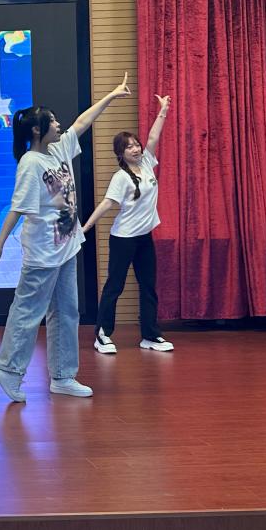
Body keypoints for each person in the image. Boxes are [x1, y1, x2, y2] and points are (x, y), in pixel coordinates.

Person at [0, 73, 131, 402]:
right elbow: (18, 207)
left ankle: (63, 376)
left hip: (66, 247)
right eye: (52, 121)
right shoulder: (30, 163)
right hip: (43, 252)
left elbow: (82, 122)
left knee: (67, 311)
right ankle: (8, 370)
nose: (59, 124)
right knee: (28, 311)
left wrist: (112, 95)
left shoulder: (58, 149)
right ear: (37, 130)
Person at [82, 95, 173, 354]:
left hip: (144, 238)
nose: (135, 149)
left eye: (136, 144)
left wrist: (163, 110)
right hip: (123, 239)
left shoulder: (147, 163)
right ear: (120, 154)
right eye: (129, 147)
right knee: (115, 286)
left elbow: (154, 137)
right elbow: (107, 204)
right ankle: (102, 335)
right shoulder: (121, 177)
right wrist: (86, 227)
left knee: (148, 286)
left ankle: (150, 336)